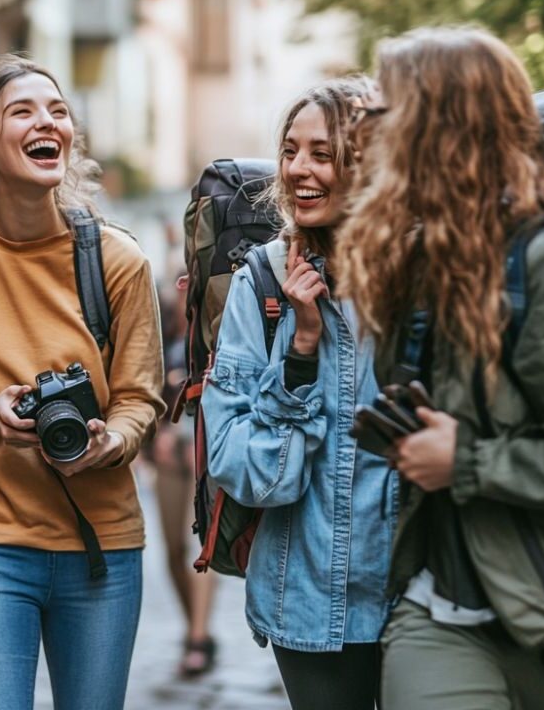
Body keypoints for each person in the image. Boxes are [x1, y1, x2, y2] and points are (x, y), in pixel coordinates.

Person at [0, 55, 164, 710]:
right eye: (23, 112)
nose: (48, 122)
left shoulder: (118, 261)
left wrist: (110, 442)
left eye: (58, 111)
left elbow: (139, 397)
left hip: (101, 544)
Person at [336, 26, 544, 709]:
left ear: (439, 129)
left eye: (381, 111)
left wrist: (467, 462)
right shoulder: (416, 260)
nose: (362, 131)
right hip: (440, 610)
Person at [201, 77, 393, 710]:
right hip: (307, 600)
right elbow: (247, 473)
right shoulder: (260, 282)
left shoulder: (421, 276)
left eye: (322, 153)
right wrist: (301, 351)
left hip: (416, 599)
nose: (298, 170)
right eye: (290, 151)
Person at [148, 275, 219, 678]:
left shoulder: (213, 332)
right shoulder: (161, 334)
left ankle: (199, 636)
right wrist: (155, 435)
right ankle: (193, 624)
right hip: (167, 452)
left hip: (203, 448)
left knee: (201, 547)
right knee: (173, 549)